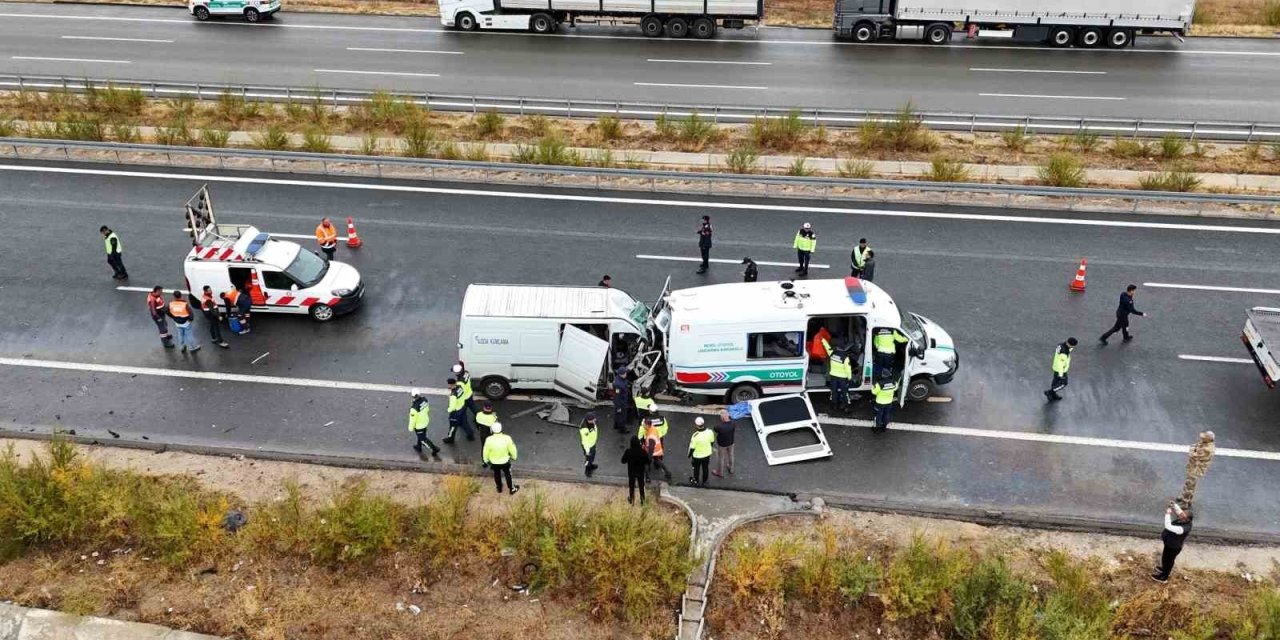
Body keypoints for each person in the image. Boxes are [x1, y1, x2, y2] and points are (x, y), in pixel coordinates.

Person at [1152, 501, 1192, 583]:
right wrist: (1174, 505)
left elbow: (1168, 526)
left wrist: (1168, 514)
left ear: (1186, 519)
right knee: (1165, 558)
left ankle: (1164, 577)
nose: (1179, 515)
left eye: (1182, 515)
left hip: (1173, 547)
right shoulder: (1185, 519)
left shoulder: (1182, 529)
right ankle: (1164, 569)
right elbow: (1180, 512)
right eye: (1181, 514)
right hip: (1169, 544)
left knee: (1168, 561)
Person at [481, 422, 519, 495]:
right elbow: (512, 449)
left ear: (492, 430)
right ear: (501, 429)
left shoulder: (489, 439)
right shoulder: (507, 438)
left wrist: (485, 460)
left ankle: (499, 488)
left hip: (494, 462)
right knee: (508, 474)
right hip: (505, 461)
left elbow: (485, 451)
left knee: (497, 474)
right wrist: (514, 457)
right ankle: (512, 488)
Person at [407, 389, 441, 459]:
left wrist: (410, 428)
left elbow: (412, 419)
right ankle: (418, 446)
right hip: (425, 421)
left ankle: (434, 449)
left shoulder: (414, 408)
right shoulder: (424, 400)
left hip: (419, 425)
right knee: (421, 436)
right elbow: (427, 409)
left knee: (423, 439)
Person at [1044, 337, 1078, 401]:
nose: (1073, 347)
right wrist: (1061, 374)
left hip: (1056, 367)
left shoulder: (1061, 345)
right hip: (1061, 370)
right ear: (1069, 344)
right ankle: (1050, 392)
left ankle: (1053, 395)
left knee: (1056, 381)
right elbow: (1060, 364)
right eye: (1073, 346)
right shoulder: (1064, 353)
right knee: (1064, 383)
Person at [639, 416, 672, 483]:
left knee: (646, 464)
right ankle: (668, 473)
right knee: (657, 461)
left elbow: (651, 447)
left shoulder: (651, 436)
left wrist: (649, 457)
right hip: (657, 450)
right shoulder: (653, 428)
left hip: (651, 451)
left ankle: (647, 478)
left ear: (648, 425)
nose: (643, 426)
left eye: (644, 425)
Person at [443, 378, 475, 444]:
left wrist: (448, 410)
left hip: (455, 412)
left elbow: (452, 407)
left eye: (448, 384)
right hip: (462, 408)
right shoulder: (460, 387)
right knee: (464, 422)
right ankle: (470, 434)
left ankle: (450, 438)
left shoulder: (453, 396)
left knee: (452, 426)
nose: (448, 386)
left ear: (451, 385)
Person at [621, 436, 650, 504]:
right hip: (640, 472)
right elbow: (648, 462)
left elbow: (623, 461)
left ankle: (631, 499)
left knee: (631, 486)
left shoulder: (628, 451)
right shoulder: (643, 451)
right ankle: (642, 500)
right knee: (641, 486)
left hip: (631, 472)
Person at [688, 418, 716, 486]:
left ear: (696, 425)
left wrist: (689, 455)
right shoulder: (710, 432)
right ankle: (705, 481)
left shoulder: (695, 435)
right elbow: (712, 442)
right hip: (707, 454)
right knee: (705, 468)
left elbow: (692, 448)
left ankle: (696, 480)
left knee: (696, 469)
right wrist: (710, 448)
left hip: (697, 456)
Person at [828, 345, 854, 413]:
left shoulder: (832, 353)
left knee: (834, 391)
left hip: (833, 376)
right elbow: (848, 369)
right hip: (842, 377)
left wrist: (823, 341)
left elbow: (827, 347)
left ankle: (834, 406)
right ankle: (846, 407)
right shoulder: (845, 357)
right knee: (845, 393)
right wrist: (850, 378)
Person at [711, 410, 736, 478]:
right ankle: (731, 468)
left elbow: (715, 429)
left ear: (722, 418)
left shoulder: (719, 426)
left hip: (722, 444)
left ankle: (720, 472)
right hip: (731, 442)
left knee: (721, 458)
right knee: (731, 455)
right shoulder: (733, 423)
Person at [474, 401, 499, 468]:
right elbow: (496, 427)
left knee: (484, 448)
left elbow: (476, 424)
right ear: (491, 407)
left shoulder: (479, 415)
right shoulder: (493, 417)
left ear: (483, 407)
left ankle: (484, 462)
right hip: (491, 435)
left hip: (482, 434)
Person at [612, 366, 631, 432]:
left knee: (617, 414)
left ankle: (616, 425)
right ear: (622, 374)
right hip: (621, 403)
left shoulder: (618, 378)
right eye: (625, 373)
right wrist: (618, 407)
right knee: (622, 416)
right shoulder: (618, 385)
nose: (626, 374)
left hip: (621, 401)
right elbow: (617, 396)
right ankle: (622, 429)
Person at [579, 413, 600, 477]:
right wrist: (587, 451)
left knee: (592, 457)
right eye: (593, 419)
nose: (595, 420)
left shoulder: (591, 423)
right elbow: (585, 441)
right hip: (588, 447)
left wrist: (594, 445)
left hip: (592, 444)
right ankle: (587, 470)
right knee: (588, 459)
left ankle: (590, 465)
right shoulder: (584, 429)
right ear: (589, 420)